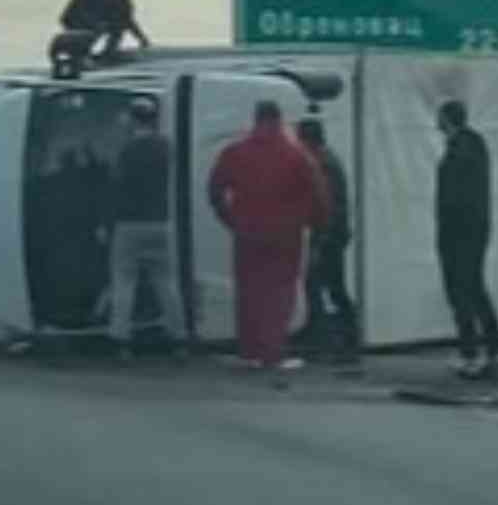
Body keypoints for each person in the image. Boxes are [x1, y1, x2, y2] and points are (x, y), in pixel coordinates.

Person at [208, 101, 329, 382]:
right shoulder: (297, 154)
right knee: (280, 292)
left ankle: (249, 351)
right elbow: (320, 195)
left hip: (247, 232)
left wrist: (231, 220)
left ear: (255, 118)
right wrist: (316, 226)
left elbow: (214, 190)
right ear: (279, 119)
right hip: (286, 234)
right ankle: (272, 354)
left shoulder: (235, 152)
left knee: (249, 290)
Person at [108, 97, 188, 361]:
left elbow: (116, 186)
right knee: (166, 283)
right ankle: (179, 338)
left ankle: (121, 341)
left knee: (124, 282)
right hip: (160, 221)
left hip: (129, 223)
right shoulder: (165, 147)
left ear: (133, 119)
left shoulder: (126, 150)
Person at [435, 100, 498, 380]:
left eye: (440, 117)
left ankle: (471, 353)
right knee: (474, 287)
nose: (436, 122)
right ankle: (491, 347)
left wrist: (447, 225)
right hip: (472, 230)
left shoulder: (461, 148)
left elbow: (455, 194)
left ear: (447, 119)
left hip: (460, 231)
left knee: (461, 290)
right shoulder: (473, 145)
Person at [295, 118, 358, 363]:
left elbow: (328, 205)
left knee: (325, 286)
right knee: (328, 285)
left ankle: (328, 338)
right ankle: (335, 337)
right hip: (332, 233)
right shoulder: (327, 159)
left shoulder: (322, 163)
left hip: (328, 234)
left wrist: (321, 239)